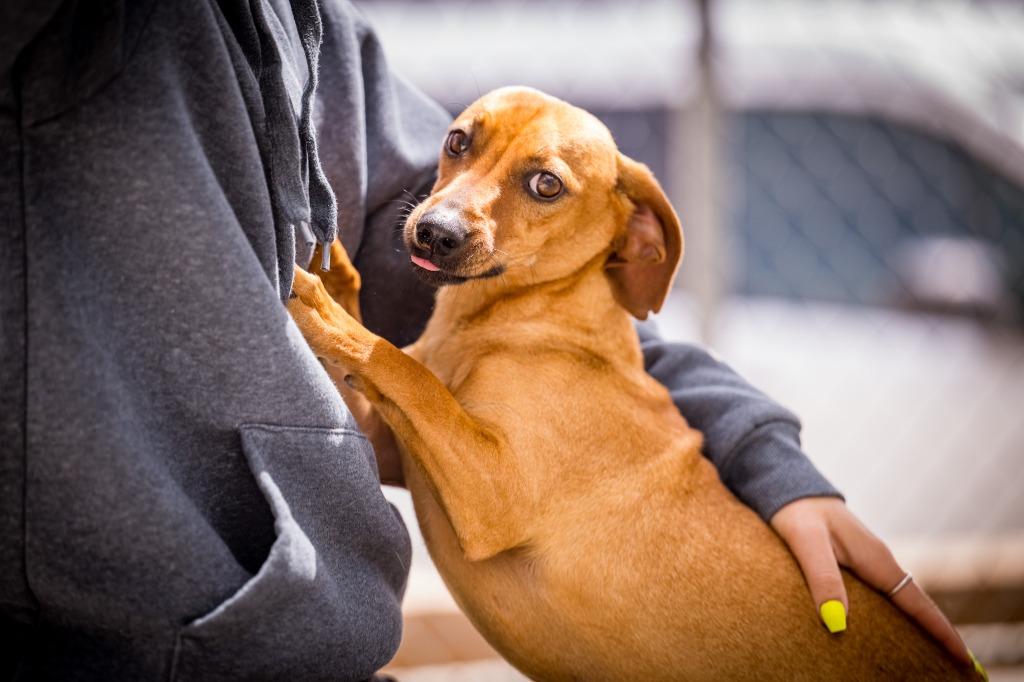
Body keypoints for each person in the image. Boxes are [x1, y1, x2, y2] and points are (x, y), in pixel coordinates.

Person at [0, 0, 973, 679]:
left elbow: (526, 436)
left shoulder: (303, 36)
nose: (449, 203)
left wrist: (763, 452)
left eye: (538, 186)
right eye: (457, 147)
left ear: (635, 236)